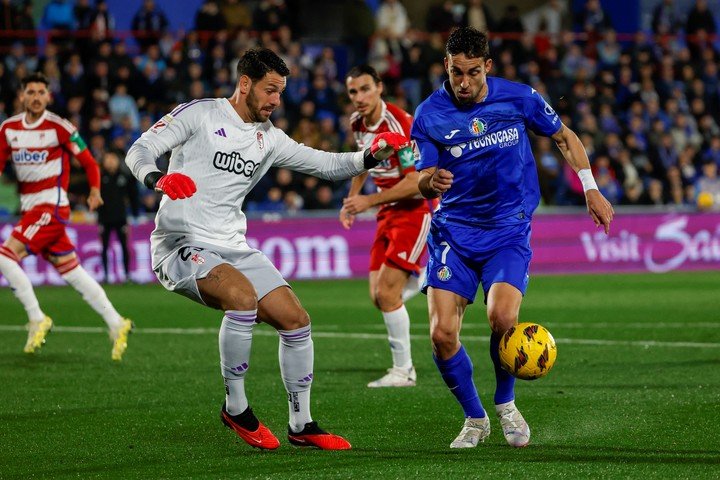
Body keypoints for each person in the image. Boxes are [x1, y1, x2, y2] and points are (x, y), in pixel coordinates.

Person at [124, 48, 408, 451]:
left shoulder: (268, 138)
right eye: (270, 91)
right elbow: (138, 150)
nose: (276, 101)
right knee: (241, 298)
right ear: (245, 84)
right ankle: (235, 407)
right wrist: (158, 178)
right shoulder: (200, 113)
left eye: (281, 92)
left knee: (296, 319)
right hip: (180, 243)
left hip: (233, 246)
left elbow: (326, 164)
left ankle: (302, 423)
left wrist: (370, 155)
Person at [410, 27, 614, 449]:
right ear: (445, 67)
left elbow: (563, 137)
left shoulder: (519, 97)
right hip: (455, 232)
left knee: (502, 320)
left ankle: (505, 405)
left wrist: (590, 186)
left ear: (487, 67)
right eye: (454, 73)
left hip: (507, 230)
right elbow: (420, 175)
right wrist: (431, 181)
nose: (462, 83)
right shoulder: (429, 114)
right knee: (441, 335)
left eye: (471, 72)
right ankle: (474, 418)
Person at [0, 72, 133, 361]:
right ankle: (116, 322)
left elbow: (88, 162)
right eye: (30, 92)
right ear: (22, 96)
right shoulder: (9, 129)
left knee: (5, 256)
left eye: (41, 92)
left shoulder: (59, 127)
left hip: (51, 208)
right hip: (31, 208)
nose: (36, 97)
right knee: (71, 270)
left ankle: (36, 318)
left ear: (48, 96)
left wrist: (95, 190)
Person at [341, 64, 433, 388]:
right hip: (386, 213)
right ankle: (424, 280)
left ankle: (404, 370)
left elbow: (414, 183)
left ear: (379, 87)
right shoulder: (357, 123)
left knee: (387, 293)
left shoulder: (399, 123)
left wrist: (368, 202)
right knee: (377, 296)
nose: (359, 97)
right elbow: (362, 162)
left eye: (365, 89)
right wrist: (352, 200)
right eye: (353, 92)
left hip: (412, 211)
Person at [97, 150, 139, 283]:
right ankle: (105, 276)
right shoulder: (99, 178)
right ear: (104, 162)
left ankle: (126, 275)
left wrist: (135, 213)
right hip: (104, 218)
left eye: (112, 159)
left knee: (124, 247)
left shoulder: (124, 177)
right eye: (108, 159)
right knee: (104, 248)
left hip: (121, 218)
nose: (110, 162)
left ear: (117, 161)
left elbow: (133, 196)